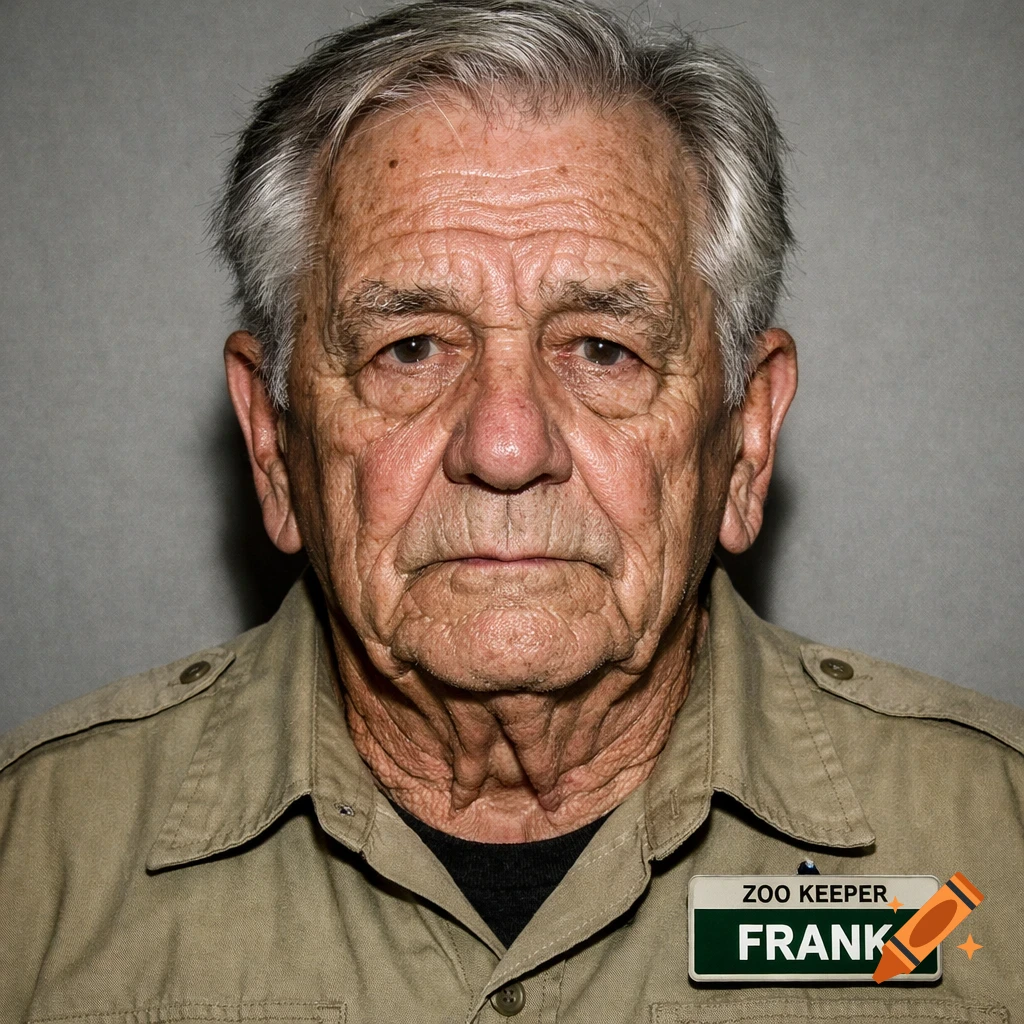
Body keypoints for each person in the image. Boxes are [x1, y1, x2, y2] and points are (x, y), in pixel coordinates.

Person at [2, 0, 1021, 1019]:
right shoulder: (33, 865)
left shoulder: (992, 846)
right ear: (273, 445)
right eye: (409, 349)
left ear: (746, 437)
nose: (503, 446)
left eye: (600, 348)